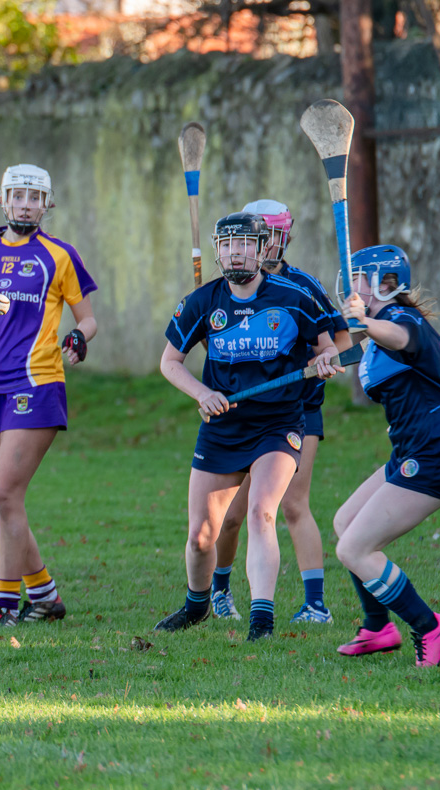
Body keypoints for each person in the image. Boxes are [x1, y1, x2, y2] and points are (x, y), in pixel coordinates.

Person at [154, 212, 340, 642]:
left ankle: (262, 619)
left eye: (244, 244)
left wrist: (324, 361)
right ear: (218, 251)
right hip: (223, 426)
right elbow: (169, 362)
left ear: (261, 250)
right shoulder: (203, 301)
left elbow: (327, 347)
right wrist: (202, 394)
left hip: (278, 424)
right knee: (202, 537)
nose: (235, 252)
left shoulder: (294, 297)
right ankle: (197, 605)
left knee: (261, 512)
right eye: (227, 245)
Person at [0, 164, 98, 629]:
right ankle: (46, 595)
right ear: (4, 198)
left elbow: (89, 319)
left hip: (36, 385)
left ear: (47, 203)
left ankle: (5, 604)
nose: (27, 203)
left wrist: (78, 338)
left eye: (36, 196)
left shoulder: (59, 255)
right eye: (18, 195)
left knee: (6, 493)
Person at [209, 200, 352, 625]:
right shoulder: (227, 287)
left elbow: (342, 342)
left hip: (297, 410)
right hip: (241, 415)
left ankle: (315, 604)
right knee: (232, 514)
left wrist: (322, 362)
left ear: (281, 237)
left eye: (270, 235)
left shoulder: (302, 287)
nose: (262, 244)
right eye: (256, 236)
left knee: (291, 504)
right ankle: (218, 592)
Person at [332, 245, 440, 667]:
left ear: (386, 284)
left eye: (361, 279)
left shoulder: (401, 320)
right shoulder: (378, 328)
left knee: (355, 549)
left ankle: (430, 626)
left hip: (433, 454)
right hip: (413, 450)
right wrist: (325, 361)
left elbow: (400, 339)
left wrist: (366, 322)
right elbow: (358, 352)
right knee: (345, 523)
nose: (354, 288)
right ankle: (378, 627)